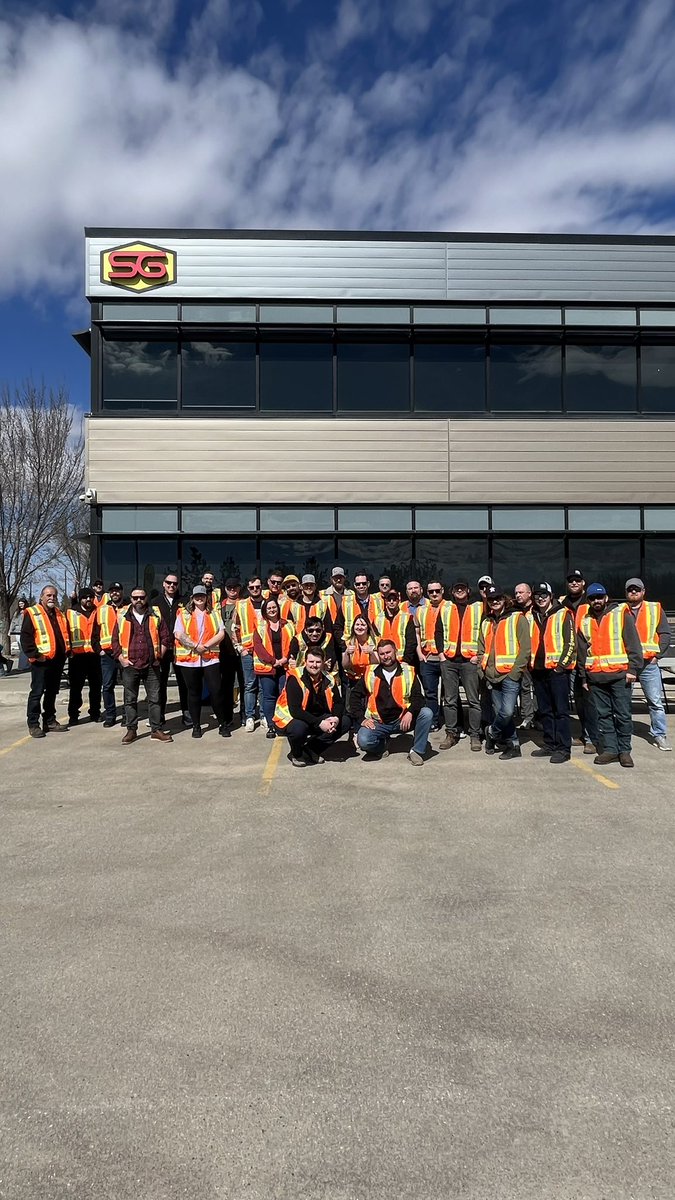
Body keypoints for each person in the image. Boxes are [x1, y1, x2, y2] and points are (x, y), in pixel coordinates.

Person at [577, 582, 643, 768]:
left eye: (599, 597)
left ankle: (625, 751)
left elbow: (633, 643)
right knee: (603, 716)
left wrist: (633, 670)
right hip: (595, 677)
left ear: (606, 598)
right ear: (588, 600)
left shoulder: (620, 615)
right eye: (592, 598)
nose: (596, 601)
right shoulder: (585, 621)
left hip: (620, 676)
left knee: (623, 715)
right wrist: (584, 677)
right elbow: (582, 652)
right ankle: (611, 750)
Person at [348, 639, 434, 766]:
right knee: (364, 741)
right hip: (379, 722)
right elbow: (354, 697)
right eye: (382, 654)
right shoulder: (370, 673)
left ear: (395, 652)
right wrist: (362, 719)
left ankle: (416, 751)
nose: (385, 656)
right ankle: (382, 746)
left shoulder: (408, 672)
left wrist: (410, 713)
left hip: (403, 720)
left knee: (426, 713)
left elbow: (419, 697)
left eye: (388, 652)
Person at [111, 587, 173, 744]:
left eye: (142, 597)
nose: (138, 600)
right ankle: (131, 730)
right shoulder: (122, 616)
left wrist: (159, 654)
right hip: (130, 665)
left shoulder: (155, 614)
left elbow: (166, 637)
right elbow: (115, 641)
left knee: (155, 699)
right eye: (135, 597)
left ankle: (156, 730)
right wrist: (121, 659)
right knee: (130, 699)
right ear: (130, 599)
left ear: (146, 598)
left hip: (152, 665)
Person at [477, 586, 531, 760]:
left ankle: (491, 732)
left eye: (498, 598)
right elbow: (480, 649)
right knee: (500, 711)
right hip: (491, 676)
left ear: (504, 599)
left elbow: (526, 649)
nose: (494, 602)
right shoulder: (486, 621)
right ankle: (513, 744)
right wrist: (482, 671)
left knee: (507, 712)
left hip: (509, 675)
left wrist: (515, 673)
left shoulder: (517, 618)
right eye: (491, 599)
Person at [274, 648, 349, 766]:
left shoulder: (329, 678)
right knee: (299, 729)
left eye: (318, 662)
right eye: (311, 661)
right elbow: (295, 710)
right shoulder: (295, 677)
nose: (314, 665)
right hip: (293, 718)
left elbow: (338, 702)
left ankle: (311, 749)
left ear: (323, 663)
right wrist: (319, 723)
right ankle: (296, 754)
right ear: (305, 662)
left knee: (345, 721)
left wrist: (335, 718)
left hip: (317, 715)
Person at [528, 583, 576, 763]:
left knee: (561, 711)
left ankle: (564, 748)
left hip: (557, 672)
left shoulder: (563, 614)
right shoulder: (531, 616)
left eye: (544, 595)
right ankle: (550, 744)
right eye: (537, 595)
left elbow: (570, 643)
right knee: (545, 711)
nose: (540, 598)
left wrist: (561, 666)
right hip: (538, 670)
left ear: (551, 595)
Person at [174, 585, 230, 738]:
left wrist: (204, 646)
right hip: (189, 660)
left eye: (202, 596)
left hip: (210, 658)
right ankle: (196, 726)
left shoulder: (213, 613)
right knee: (193, 693)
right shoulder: (183, 613)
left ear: (207, 598)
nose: (199, 598)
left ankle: (222, 724)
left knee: (216, 692)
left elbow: (221, 633)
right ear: (192, 598)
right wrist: (195, 646)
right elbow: (178, 633)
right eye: (196, 596)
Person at [625, 577, 672, 751]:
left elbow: (665, 633)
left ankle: (659, 735)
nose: (634, 592)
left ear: (643, 592)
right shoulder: (621, 610)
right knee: (623, 701)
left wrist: (658, 655)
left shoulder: (655, 608)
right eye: (630, 590)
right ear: (626, 593)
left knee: (655, 701)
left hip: (648, 663)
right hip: (628, 663)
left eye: (637, 589)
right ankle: (623, 732)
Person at [438, 580, 483, 752]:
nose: (459, 591)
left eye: (462, 588)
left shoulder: (477, 609)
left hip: (469, 662)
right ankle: (451, 733)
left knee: (473, 701)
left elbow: (484, 633)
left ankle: (475, 735)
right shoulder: (446, 608)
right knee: (449, 700)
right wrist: (441, 654)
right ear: (452, 592)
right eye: (456, 588)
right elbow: (439, 631)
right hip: (449, 661)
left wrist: (478, 656)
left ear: (468, 591)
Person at [20, 584, 71, 737]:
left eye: (54, 595)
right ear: (41, 597)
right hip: (41, 661)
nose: (52, 598)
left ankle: (49, 720)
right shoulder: (32, 612)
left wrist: (67, 652)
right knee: (37, 692)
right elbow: (26, 637)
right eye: (48, 595)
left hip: (57, 660)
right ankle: (33, 724)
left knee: (52, 692)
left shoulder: (59, 613)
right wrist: (36, 655)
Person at [560, 569, 599, 755]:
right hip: (567, 660)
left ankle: (591, 738)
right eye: (571, 581)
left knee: (588, 702)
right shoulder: (562, 604)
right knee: (574, 702)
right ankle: (581, 735)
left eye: (578, 580)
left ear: (583, 583)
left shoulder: (591, 601)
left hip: (586, 659)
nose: (574, 583)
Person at [252, 597, 295, 738]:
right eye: (269, 608)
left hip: (285, 666)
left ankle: (283, 724)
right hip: (267, 667)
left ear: (278, 608)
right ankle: (271, 725)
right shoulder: (260, 626)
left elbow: (293, 643)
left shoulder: (288, 625)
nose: (272, 610)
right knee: (269, 696)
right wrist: (273, 661)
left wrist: (285, 659)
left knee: (284, 695)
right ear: (265, 611)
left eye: (274, 607)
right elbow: (258, 647)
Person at [154, 573, 191, 728]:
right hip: (162, 648)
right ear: (163, 584)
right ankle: (159, 715)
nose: (171, 586)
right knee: (160, 684)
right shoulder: (155, 603)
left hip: (180, 648)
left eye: (174, 584)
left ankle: (187, 713)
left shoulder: (184, 602)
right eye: (168, 583)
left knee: (184, 683)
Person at [232, 576, 265, 732]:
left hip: (265, 651)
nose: (255, 590)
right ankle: (250, 716)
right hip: (248, 651)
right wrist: (239, 647)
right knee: (250, 685)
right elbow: (235, 628)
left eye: (257, 587)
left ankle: (264, 715)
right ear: (248, 588)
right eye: (251, 587)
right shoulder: (242, 604)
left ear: (261, 587)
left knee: (264, 686)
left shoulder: (269, 603)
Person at [66, 587, 102, 725]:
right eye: (85, 597)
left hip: (94, 656)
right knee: (76, 688)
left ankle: (95, 713)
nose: (88, 599)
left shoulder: (98, 612)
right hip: (77, 657)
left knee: (96, 687)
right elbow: (65, 633)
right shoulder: (71, 613)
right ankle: (73, 715)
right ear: (80, 599)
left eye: (90, 597)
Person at [414, 581, 446, 731]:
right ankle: (433, 721)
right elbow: (417, 633)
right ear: (426, 593)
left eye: (437, 591)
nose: (434, 594)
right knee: (430, 693)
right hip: (427, 658)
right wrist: (419, 652)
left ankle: (455, 724)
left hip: (446, 658)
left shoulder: (449, 607)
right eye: (431, 591)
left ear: (442, 591)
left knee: (451, 695)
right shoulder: (421, 610)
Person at [97, 582, 125, 727]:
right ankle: (110, 715)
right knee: (107, 686)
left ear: (121, 592)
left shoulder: (129, 608)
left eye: (117, 590)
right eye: (112, 591)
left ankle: (127, 715)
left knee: (128, 686)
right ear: (109, 593)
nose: (115, 593)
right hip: (107, 654)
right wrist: (99, 649)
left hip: (125, 653)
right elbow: (95, 633)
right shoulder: (101, 610)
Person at [220, 577, 244, 727]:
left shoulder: (244, 605)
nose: (232, 589)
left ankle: (244, 715)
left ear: (239, 588)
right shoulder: (218, 607)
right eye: (229, 587)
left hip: (242, 651)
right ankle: (227, 718)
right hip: (225, 652)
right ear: (225, 589)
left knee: (245, 685)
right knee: (226, 686)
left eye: (235, 587)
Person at [513, 582, 536, 729]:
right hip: (519, 657)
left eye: (521, 592)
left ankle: (534, 717)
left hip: (536, 656)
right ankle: (527, 717)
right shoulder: (514, 611)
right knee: (524, 688)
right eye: (516, 593)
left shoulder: (537, 610)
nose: (518, 595)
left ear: (529, 594)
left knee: (535, 689)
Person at [289, 616, 338, 681]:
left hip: (324, 677)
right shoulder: (297, 640)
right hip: (302, 676)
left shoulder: (328, 638)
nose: (314, 634)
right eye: (311, 631)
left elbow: (330, 661)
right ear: (305, 631)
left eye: (318, 630)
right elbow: (292, 661)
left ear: (323, 629)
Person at [375, 590, 417, 663]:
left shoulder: (407, 617)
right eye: (389, 600)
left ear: (398, 601)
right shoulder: (377, 618)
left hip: (402, 661)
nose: (391, 602)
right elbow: (374, 641)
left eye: (394, 599)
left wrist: (406, 660)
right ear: (385, 601)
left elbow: (411, 642)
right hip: (383, 661)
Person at [342, 615, 378, 684]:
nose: (359, 627)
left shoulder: (375, 641)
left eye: (363, 625)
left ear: (368, 627)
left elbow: (376, 664)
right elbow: (345, 666)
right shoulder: (347, 642)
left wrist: (371, 653)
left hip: (370, 679)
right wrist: (347, 653)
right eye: (357, 625)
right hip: (353, 680)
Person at [9, 597, 29, 672]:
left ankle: (25, 664)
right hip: (17, 632)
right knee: (22, 649)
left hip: (25, 632)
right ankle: (22, 665)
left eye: (22, 603)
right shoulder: (16, 612)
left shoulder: (28, 611)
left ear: (25, 603)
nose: (20, 605)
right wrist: (10, 631)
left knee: (25, 649)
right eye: (19, 604)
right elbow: (13, 622)